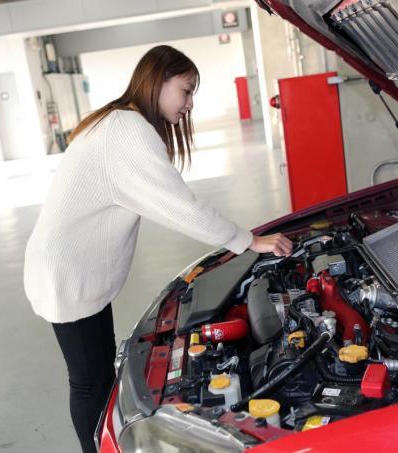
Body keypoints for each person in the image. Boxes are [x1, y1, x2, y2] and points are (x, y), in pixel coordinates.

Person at [23, 45, 293, 453]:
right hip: (67, 272)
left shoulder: (120, 123)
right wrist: (248, 240)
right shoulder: (126, 129)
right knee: (88, 381)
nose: (189, 103)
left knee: (96, 376)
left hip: (74, 270)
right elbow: (180, 208)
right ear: (158, 80)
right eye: (185, 90)